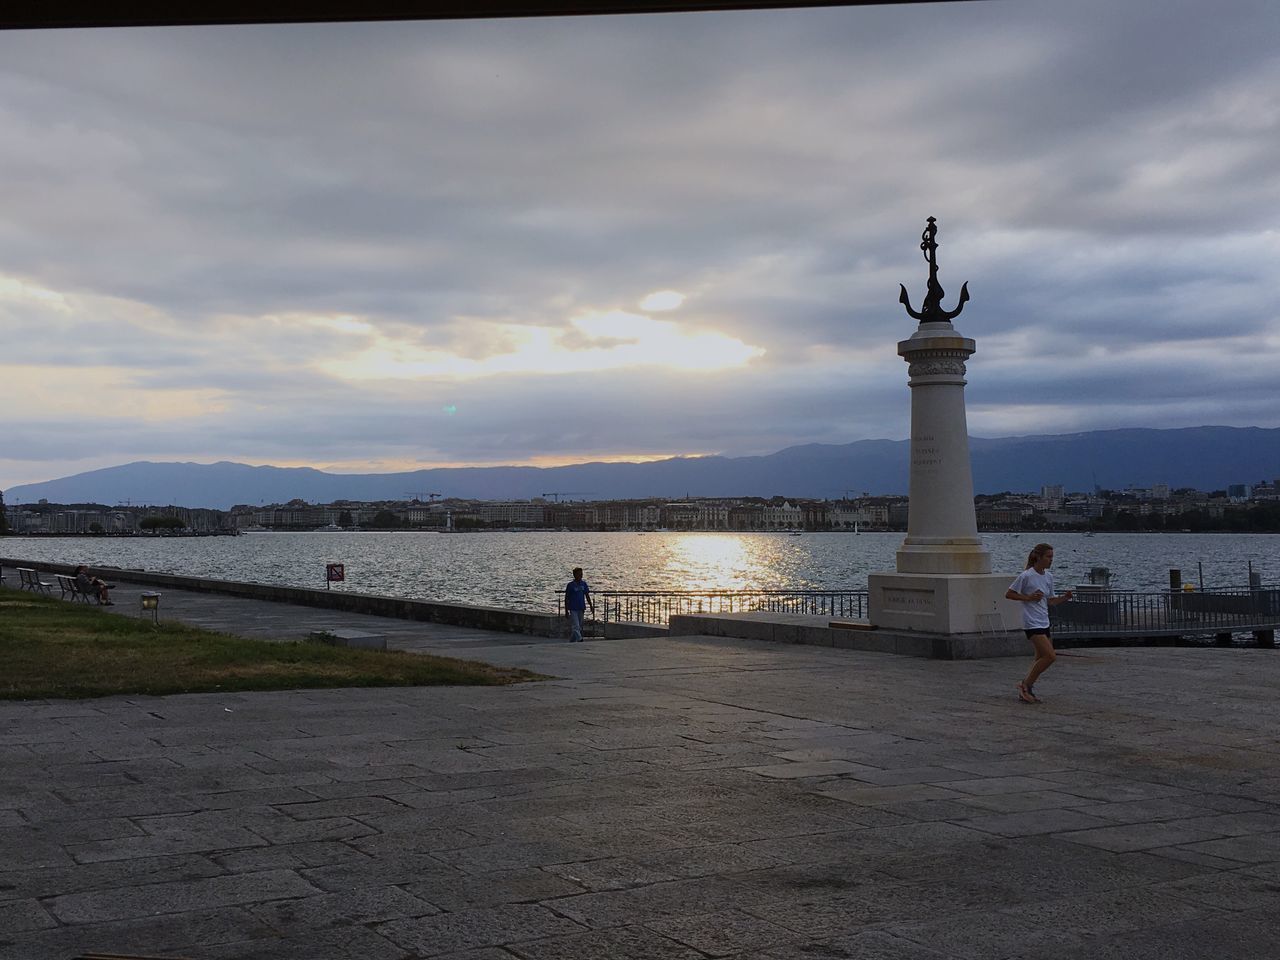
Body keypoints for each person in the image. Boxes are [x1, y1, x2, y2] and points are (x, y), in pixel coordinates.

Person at [1006, 543, 1072, 703]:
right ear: (1038, 557)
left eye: (1052, 557)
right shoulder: (1026, 576)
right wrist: (1028, 598)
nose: (1051, 560)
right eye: (1048, 557)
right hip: (1031, 622)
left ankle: (1027, 687)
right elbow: (1009, 594)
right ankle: (1025, 685)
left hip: (1044, 621)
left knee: (1040, 657)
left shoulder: (1048, 577)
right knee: (1050, 656)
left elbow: (1050, 601)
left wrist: (1064, 598)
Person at [564, 567, 594, 643]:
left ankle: (572, 641)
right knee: (576, 626)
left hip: (581, 608)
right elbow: (566, 598)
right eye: (579, 574)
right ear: (574, 575)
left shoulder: (584, 584)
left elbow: (587, 595)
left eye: (581, 574)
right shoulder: (570, 585)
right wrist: (566, 610)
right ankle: (580, 639)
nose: (580, 575)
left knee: (579, 627)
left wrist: (591, 606)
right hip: (573, 608)